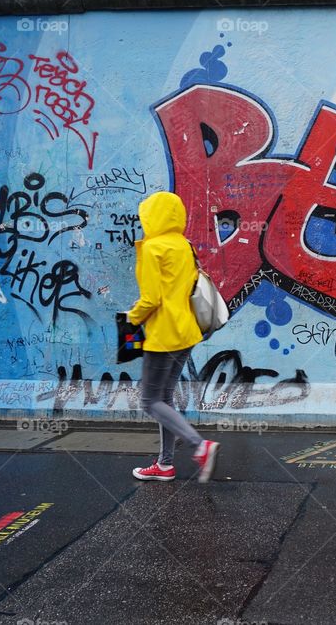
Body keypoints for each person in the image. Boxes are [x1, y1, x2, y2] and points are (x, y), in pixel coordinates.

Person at [125, 191, 219, 483]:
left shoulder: (152, 248)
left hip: (162, 335)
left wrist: (131, 319)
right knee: (164, 397)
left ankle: (199, 445)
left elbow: (151, 299)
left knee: (150, 401)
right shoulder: (184, 244)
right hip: (186, 332)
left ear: (151, 216)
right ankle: (165, 465)